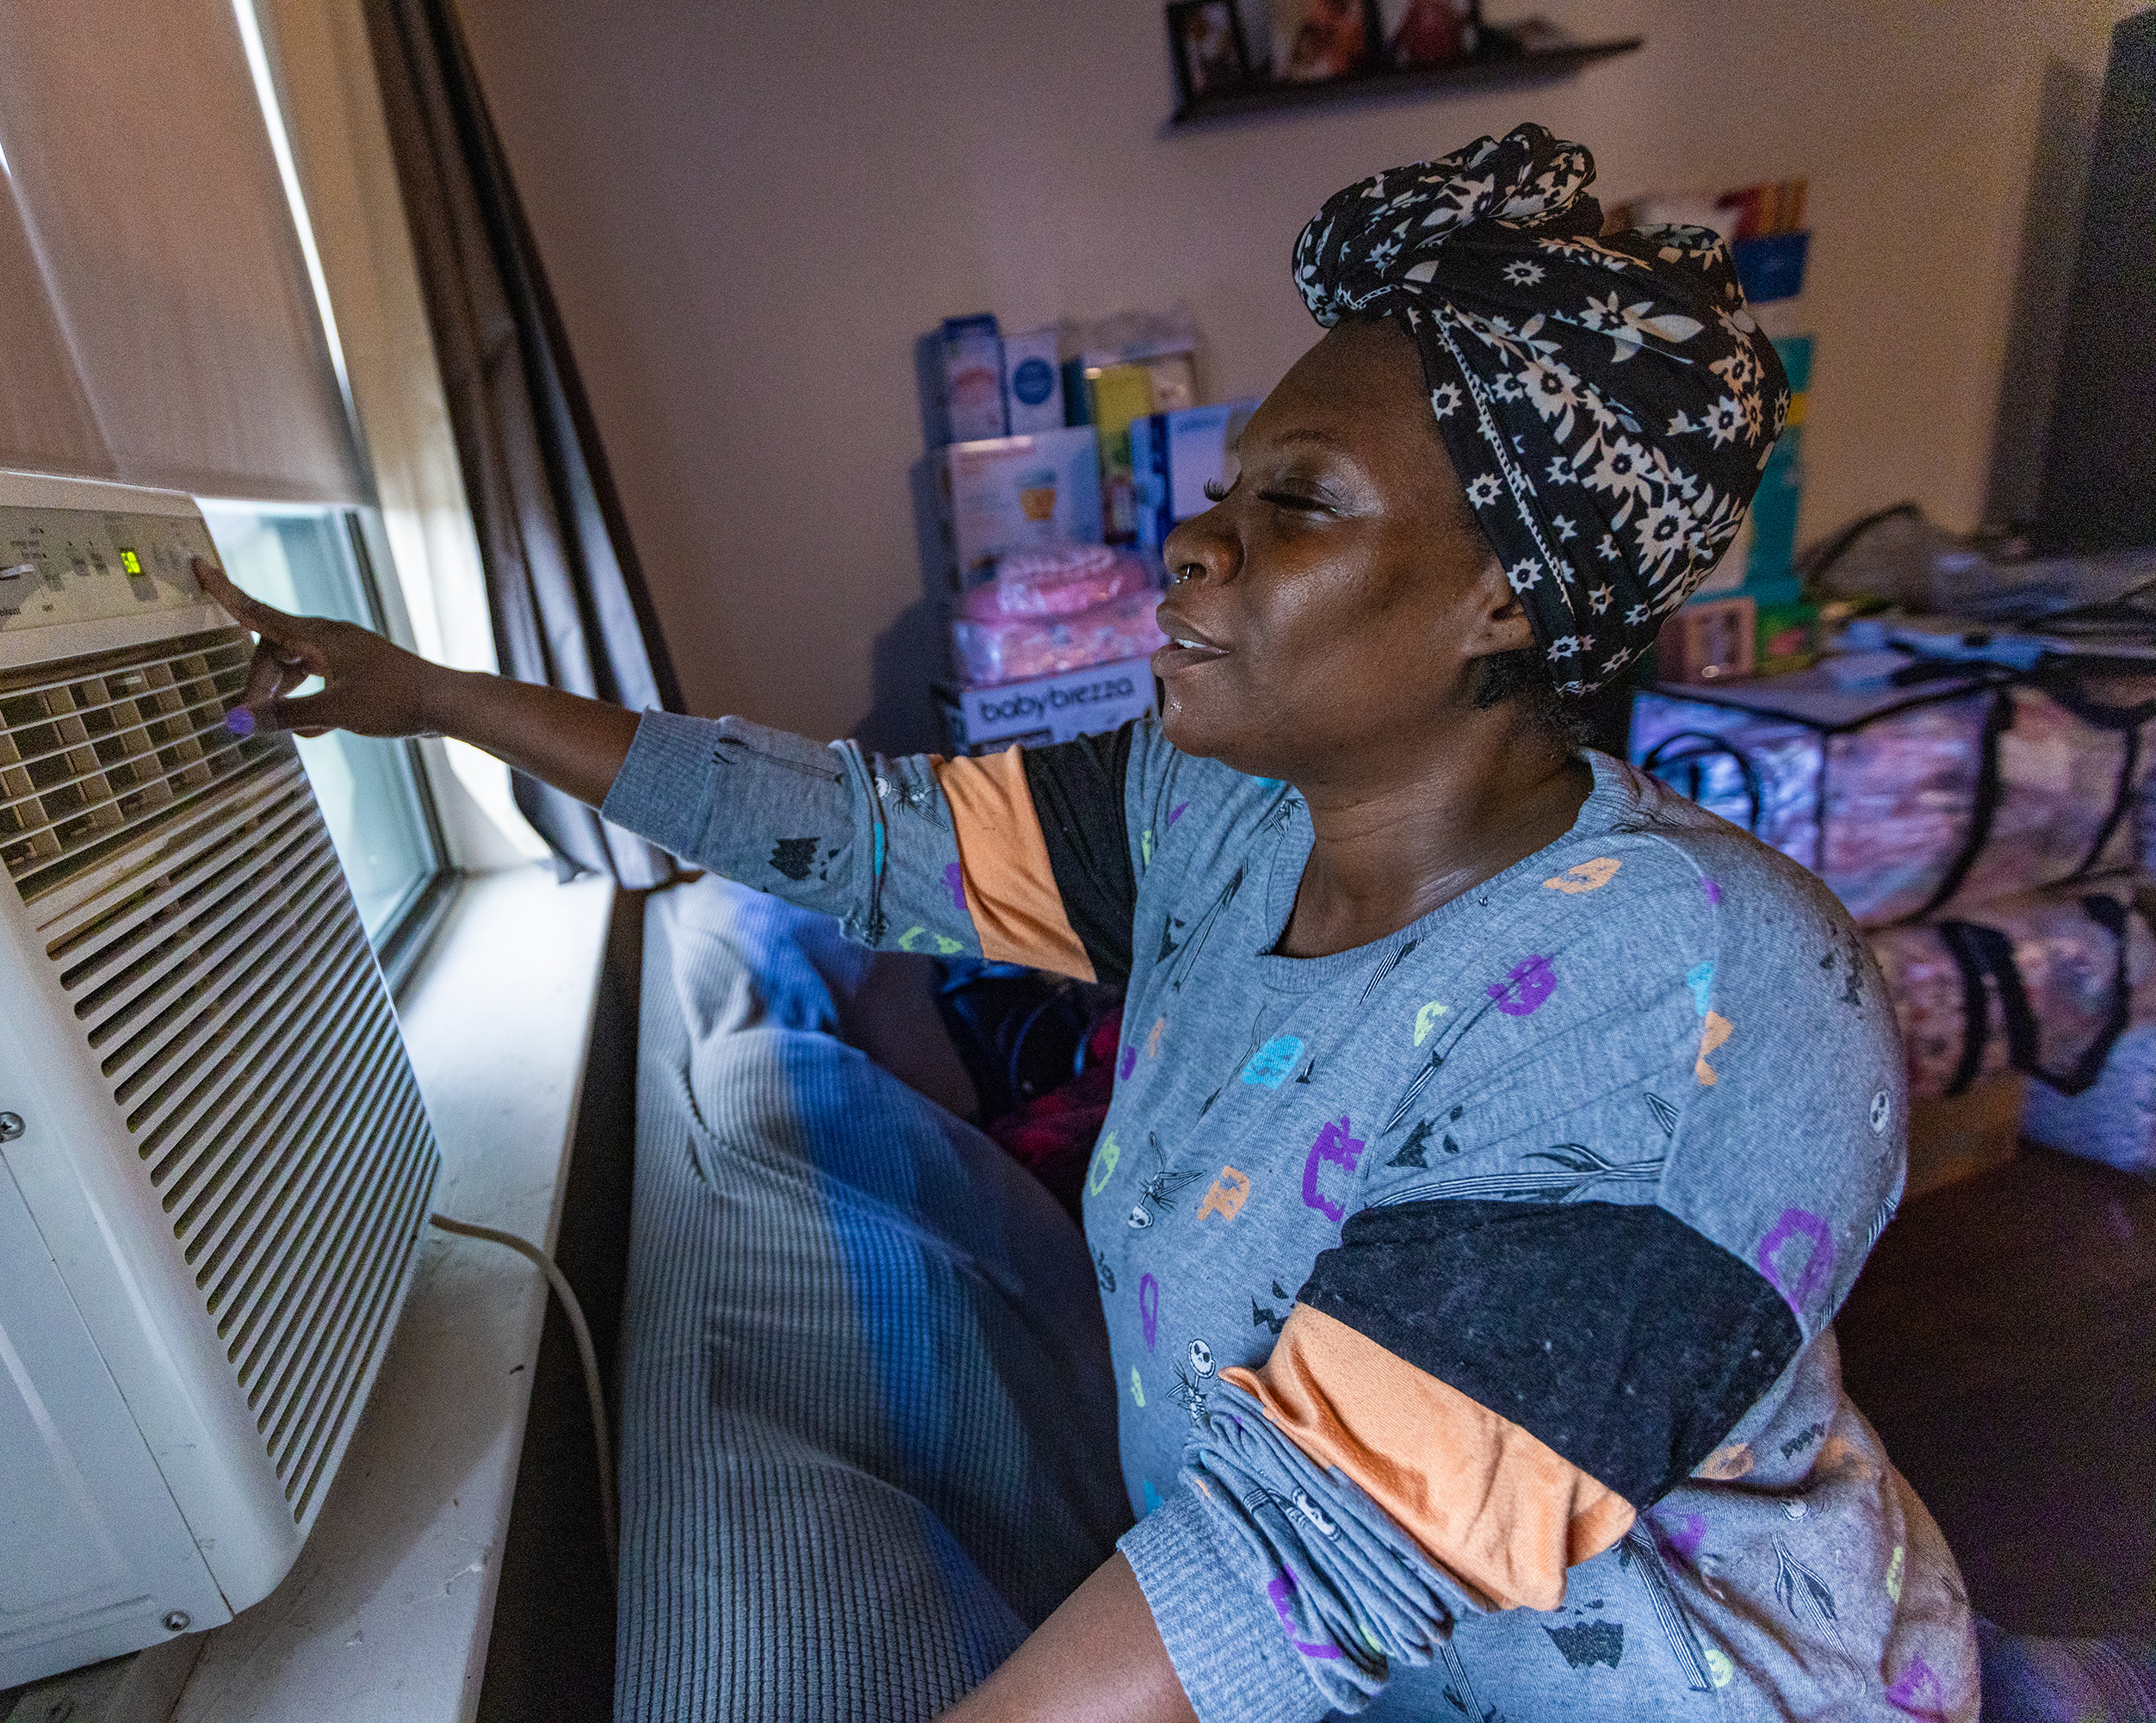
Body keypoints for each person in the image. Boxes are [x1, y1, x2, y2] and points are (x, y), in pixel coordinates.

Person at [199, 126, 1977, 1721]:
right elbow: (858, 832)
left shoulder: (1704, 987)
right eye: (1223, 487)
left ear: (1503, 597)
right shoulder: (1210, 819)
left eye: (1297, 504)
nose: (1196, 543)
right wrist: (432, 691)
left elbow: (1327, 1556)